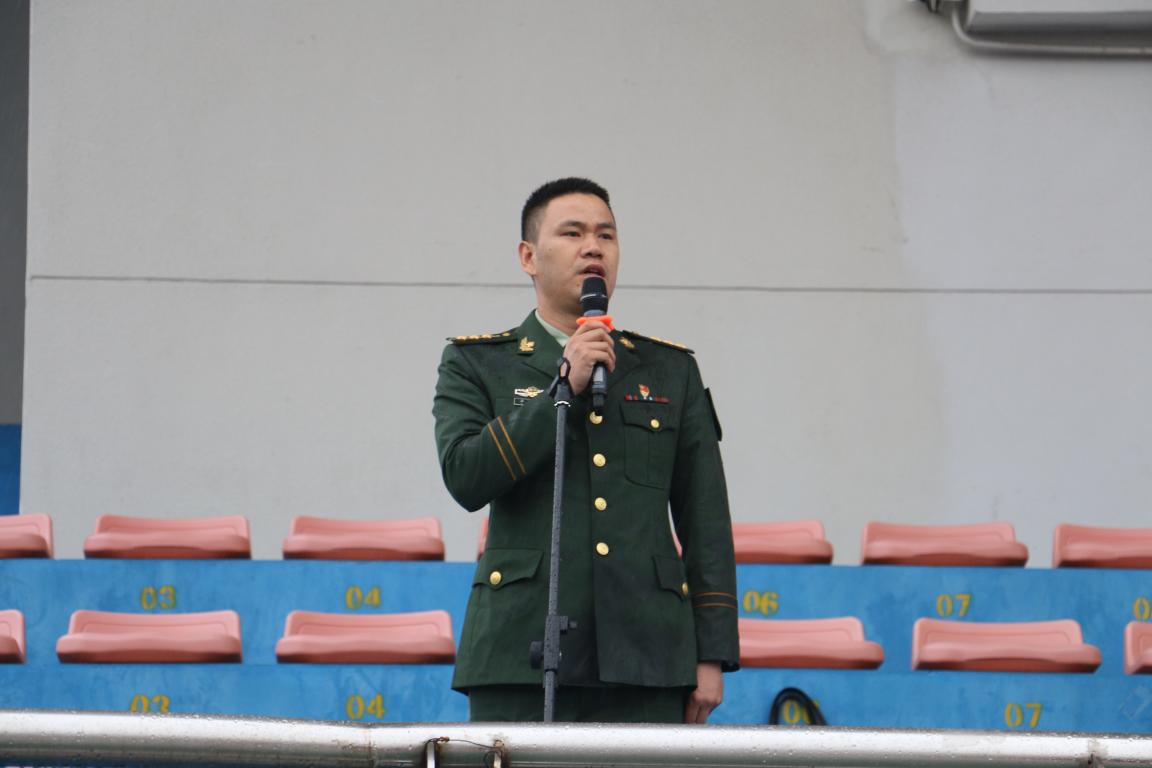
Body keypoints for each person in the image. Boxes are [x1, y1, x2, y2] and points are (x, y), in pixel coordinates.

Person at [433, 177, 738, 724]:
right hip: (518, 650)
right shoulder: (476, 363)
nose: (593, 247)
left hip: (650, 654)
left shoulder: (670, 370)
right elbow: (466, 476)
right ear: (528, 256)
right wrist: (563, 386)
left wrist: (711, 653)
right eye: (572, 233)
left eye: (606, 235)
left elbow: (705, 520)